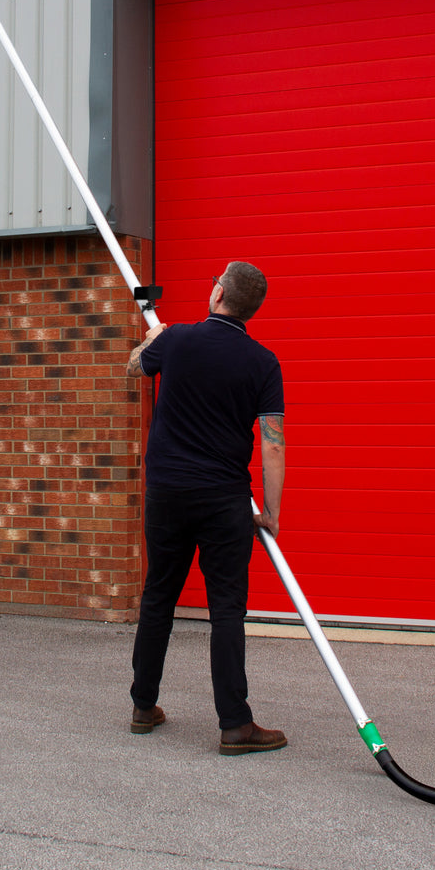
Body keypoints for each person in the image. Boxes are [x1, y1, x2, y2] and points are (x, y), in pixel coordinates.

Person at [125, 260, 288, 755]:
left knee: (159, 596)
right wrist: (271, 514)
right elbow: (273, 443)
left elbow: (133, 367)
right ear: (250, 310)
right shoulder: (263, 362)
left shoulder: (176, 340)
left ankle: (143, 706)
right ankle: (235, 725)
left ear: (218, 294)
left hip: (168, 493)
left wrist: (153, 340)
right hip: (224, 500)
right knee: (227, 610)